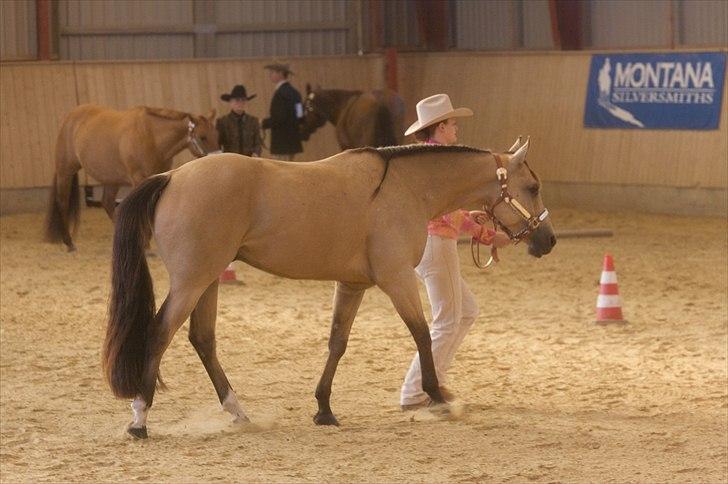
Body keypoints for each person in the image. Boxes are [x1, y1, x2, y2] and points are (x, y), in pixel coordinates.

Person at [400, 93, 511, 410]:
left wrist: (467, 217)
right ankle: (415, 392)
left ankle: (435, 381)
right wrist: (486, 235)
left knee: (466, 312)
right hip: (436, 244)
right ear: (439, 128)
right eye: (452, 125)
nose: (456, 131)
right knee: (447, 320)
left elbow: (446, 210)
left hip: (432, 242)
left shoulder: (428, 160)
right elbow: (442, 212)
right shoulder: (437, 164)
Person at [262, 63, 304, 161]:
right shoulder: (296, 93)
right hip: (293, 141)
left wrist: (263, 123)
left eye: (272, 73)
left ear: (280, 74)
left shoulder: (280, 94)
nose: (270, 75)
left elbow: (279, 118)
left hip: (281, 143)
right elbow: (300, 115)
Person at [216, 84, 262, 157]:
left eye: (243, 100)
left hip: (249, 160)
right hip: (230, 161)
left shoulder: (253, 121)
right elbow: (217, 143)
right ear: (230, 102)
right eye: (237, 100)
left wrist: (256, 153)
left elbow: (258, 143)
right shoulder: (222, 122)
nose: (240, 103)